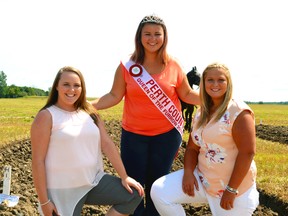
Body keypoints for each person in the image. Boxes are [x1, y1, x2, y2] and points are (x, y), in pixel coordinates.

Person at [91, 14, 199, 216]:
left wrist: (215, 99)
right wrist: (88, 106)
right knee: (135, 187)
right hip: (134, 135)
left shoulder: (174, 65)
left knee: (158, 185)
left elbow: (186, 94)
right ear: (139, 37)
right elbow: (114, 95)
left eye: (157, 34)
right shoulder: (127, 66)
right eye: (147, 34)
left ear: (164, 37)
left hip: (167, 135)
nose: (152, 38)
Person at [31, 66, 144, 216]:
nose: (72, 89)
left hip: (93, 183)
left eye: (76, 85)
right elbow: (38, 161)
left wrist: (124, 176)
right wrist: (44, 201)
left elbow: (107, 144)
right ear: (57, 86)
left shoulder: (90, 113)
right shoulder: (46, 116)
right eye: (66, 84)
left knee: (134, 194)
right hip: (63, 191)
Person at [151, 62, 259, 215]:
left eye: (221, 80)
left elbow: (247, 153)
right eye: (210, 80)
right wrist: (188, 173)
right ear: (203, 83)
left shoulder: (239, 112)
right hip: (204, 180)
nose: (215, 84)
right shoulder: (202, 112)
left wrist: (231, 189)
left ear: (228, 83)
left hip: (232, 189)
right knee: (160, 191)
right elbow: (192, 148)